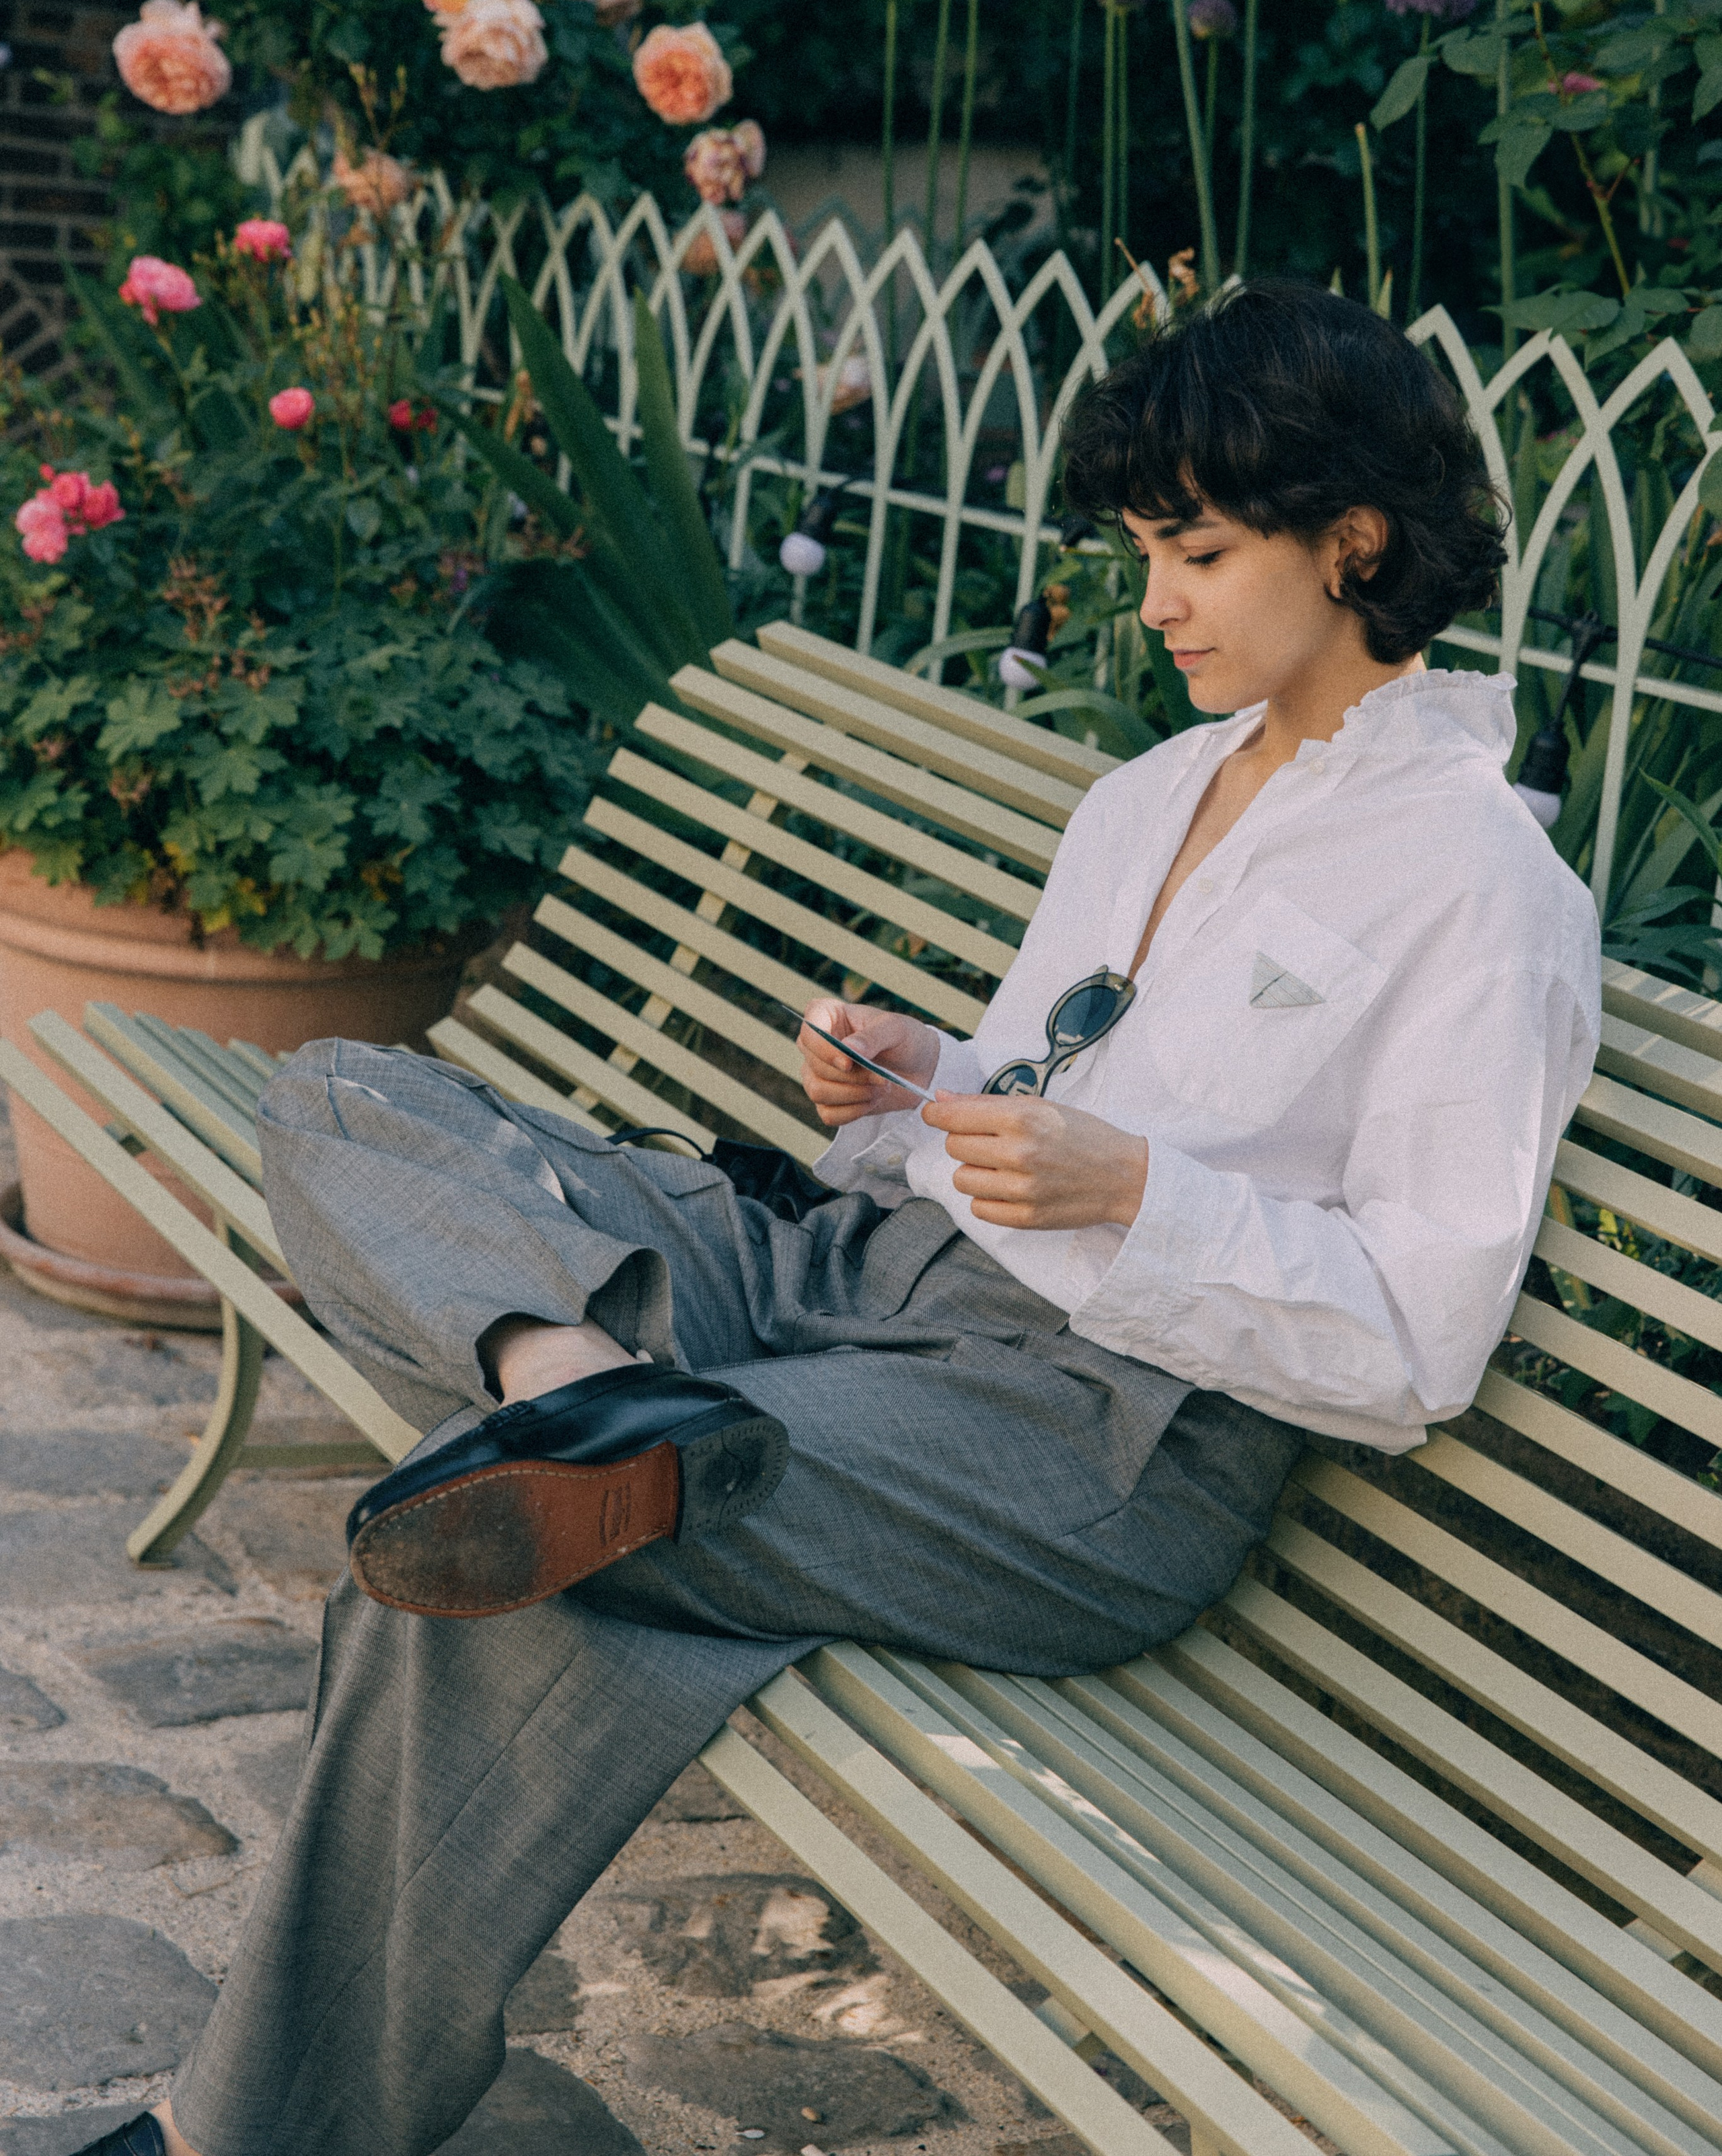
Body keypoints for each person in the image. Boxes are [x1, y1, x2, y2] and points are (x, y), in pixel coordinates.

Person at [81, 280, 1600, 2156]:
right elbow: (1050, 1101)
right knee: (344, 1094)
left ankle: (241, 2138)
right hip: (867, 1280)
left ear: (1352, 538)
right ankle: (579, 1384)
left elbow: (1419, 1337)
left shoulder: (1478, 881)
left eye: (1197, 553)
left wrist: (1152, 1205)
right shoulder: (1148, 799)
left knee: (473, 1567)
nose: (1158, 604)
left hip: (1095, 1439)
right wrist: (920, 1086)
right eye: (1144, 555)